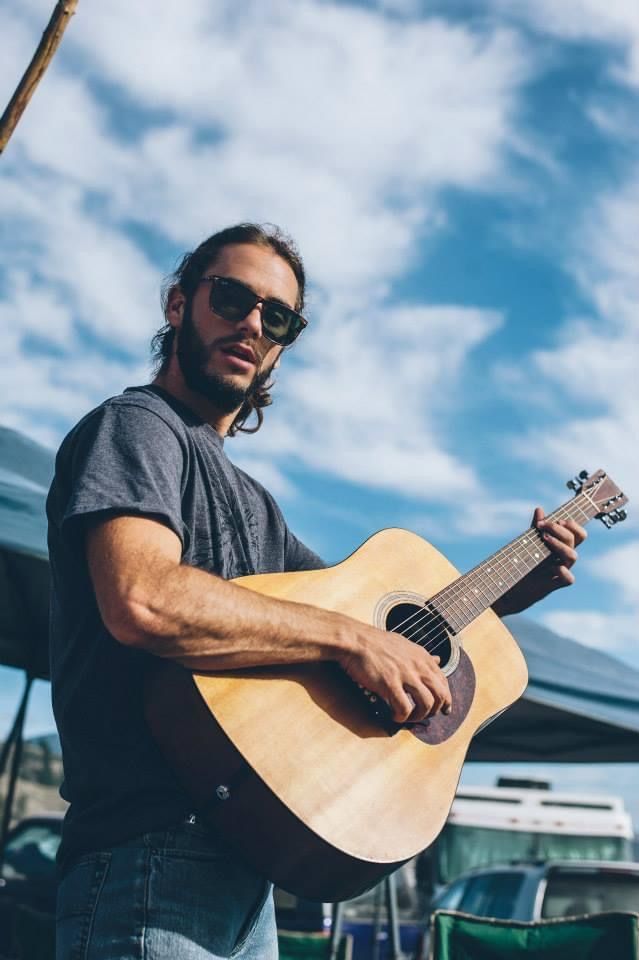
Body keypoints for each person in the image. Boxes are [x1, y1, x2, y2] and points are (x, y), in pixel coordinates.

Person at [47, 222, 585, 959]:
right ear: (178, 305)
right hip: (148, 859)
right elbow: (143, 598)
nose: (251, 324)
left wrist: (499, 597)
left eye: (278, 317)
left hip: (247, 873)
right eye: (231, 297)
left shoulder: (255, 505)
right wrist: (355, 638)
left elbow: (366, 623)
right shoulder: (138, 428)